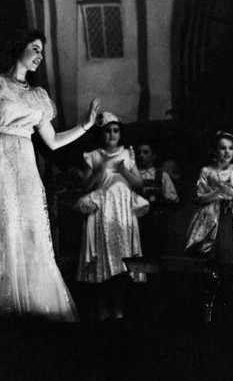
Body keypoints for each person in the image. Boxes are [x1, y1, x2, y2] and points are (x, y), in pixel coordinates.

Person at [0, 29, 100, 322]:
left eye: (42, 52)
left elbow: (52, 141)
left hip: (25, 168)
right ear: (19, 48)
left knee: (25, 232)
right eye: (35, 48)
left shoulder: (39, 97)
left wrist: (85, 125)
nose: (40, 56)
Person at [75, 112, 148, 322]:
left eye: (116, 130)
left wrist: (124, 170)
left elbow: (139, 183)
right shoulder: (94, 156)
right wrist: (98, 171)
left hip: (122, 212)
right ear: (101, 134)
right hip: (101, 213)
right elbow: (85, 186)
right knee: (103, 262)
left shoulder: (127, 154)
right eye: (108, 131)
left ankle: (119, 311)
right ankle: (102, 311)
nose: (112, 134)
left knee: (121, 263)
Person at [185, 131, 233, 295]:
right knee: (210, 261)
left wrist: (230, 191)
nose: (227, 152)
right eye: (222, 148)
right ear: (215, 150)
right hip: (211, 219)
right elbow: (198, 198)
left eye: (230, 148)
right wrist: (216, 193)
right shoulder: (206, 171)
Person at [136, 141, 179, 258]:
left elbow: (172, 199)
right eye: (139, 152)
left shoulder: (162, 176)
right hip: (136, 222)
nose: (141, 155)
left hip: (155, 223)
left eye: (145, 152)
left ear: (153, 156)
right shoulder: (133, 176)